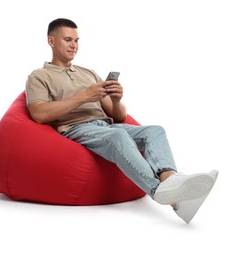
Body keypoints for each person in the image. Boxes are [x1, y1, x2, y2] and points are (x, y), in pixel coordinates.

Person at [25, 18, 218, 223]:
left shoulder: (88, 73)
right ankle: (158, 190)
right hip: (75, 129)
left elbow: (118, 116)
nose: (74, 45)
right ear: (51, 41)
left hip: (106, 125)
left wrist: (116, 99)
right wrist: (84, 96)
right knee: (117, 135)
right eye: (67, 39)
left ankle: (171, 183)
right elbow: (39, 113)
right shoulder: (39, 76)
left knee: (155, 130)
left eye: (77, 40)